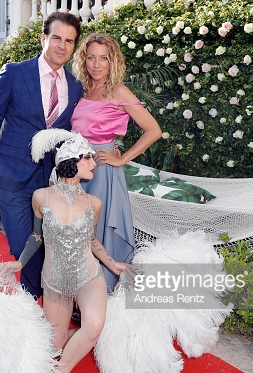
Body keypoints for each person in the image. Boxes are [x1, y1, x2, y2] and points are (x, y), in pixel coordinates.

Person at [2, 129, 131, 373]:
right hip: (55, 282)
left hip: (88, 275)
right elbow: (37, 237)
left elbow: (92, 239)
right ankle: (68, 342)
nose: (94, 163)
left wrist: (111, 263)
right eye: (88, 158)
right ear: (72, 162)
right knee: (54, 346)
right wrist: (19, 261)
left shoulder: (94, 202)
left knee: (94, 324)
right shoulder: (41, 197)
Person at [0, 12, 84, 300]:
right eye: (56, 38)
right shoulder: (15, 73)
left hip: (52, 180)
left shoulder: (75, 86)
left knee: (49, 243)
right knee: (22, 244)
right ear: (43, 38)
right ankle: (32, 303)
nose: (62, 46)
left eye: (69, 41)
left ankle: (38, 305)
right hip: (11, 176)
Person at [70, 33, 162, 292]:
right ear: (83, 60)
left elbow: (153, 130)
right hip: (77, 170)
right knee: (78, 229)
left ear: (113, 62)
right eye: (91, 57)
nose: (96, 64)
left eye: (103, 58)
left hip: (101, 172)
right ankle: (81, 291)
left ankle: (102, 291)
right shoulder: (82, 89)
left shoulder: (118, 90)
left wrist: (121, 158)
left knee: (97, 230)